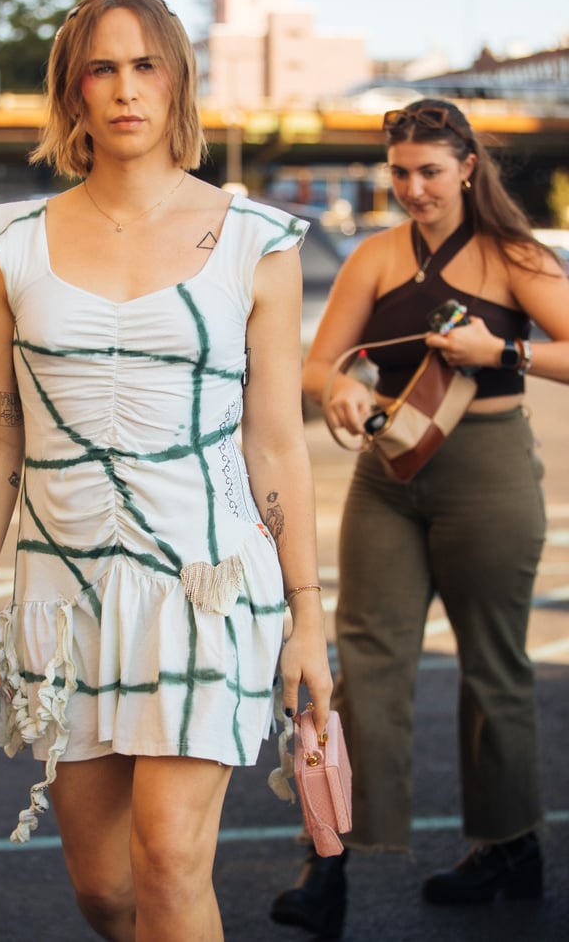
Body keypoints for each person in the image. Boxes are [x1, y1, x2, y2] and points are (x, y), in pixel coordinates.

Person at [0, 0, 332, 942]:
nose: (126, 89)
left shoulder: (254, 241)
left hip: (204, 585)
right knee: (105, 890)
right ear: (73, 93)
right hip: (61, 593)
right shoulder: (10, 245)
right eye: (101, 68)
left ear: (178, 81)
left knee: (167, 863)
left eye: (146, 65)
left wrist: (309, 619)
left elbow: (276, 438)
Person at [270, 98, 569, 936]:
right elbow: (317, 363)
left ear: (467, 167)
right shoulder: (375, 254)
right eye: (399, 173)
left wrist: (502, 352)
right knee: (354, 667)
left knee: (493, 668)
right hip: (389, 473)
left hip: (489, 471)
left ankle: (511, 848)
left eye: (429, 172)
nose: (412, 188)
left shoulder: (514, 256)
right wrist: (341, 386)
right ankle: (326, 863)